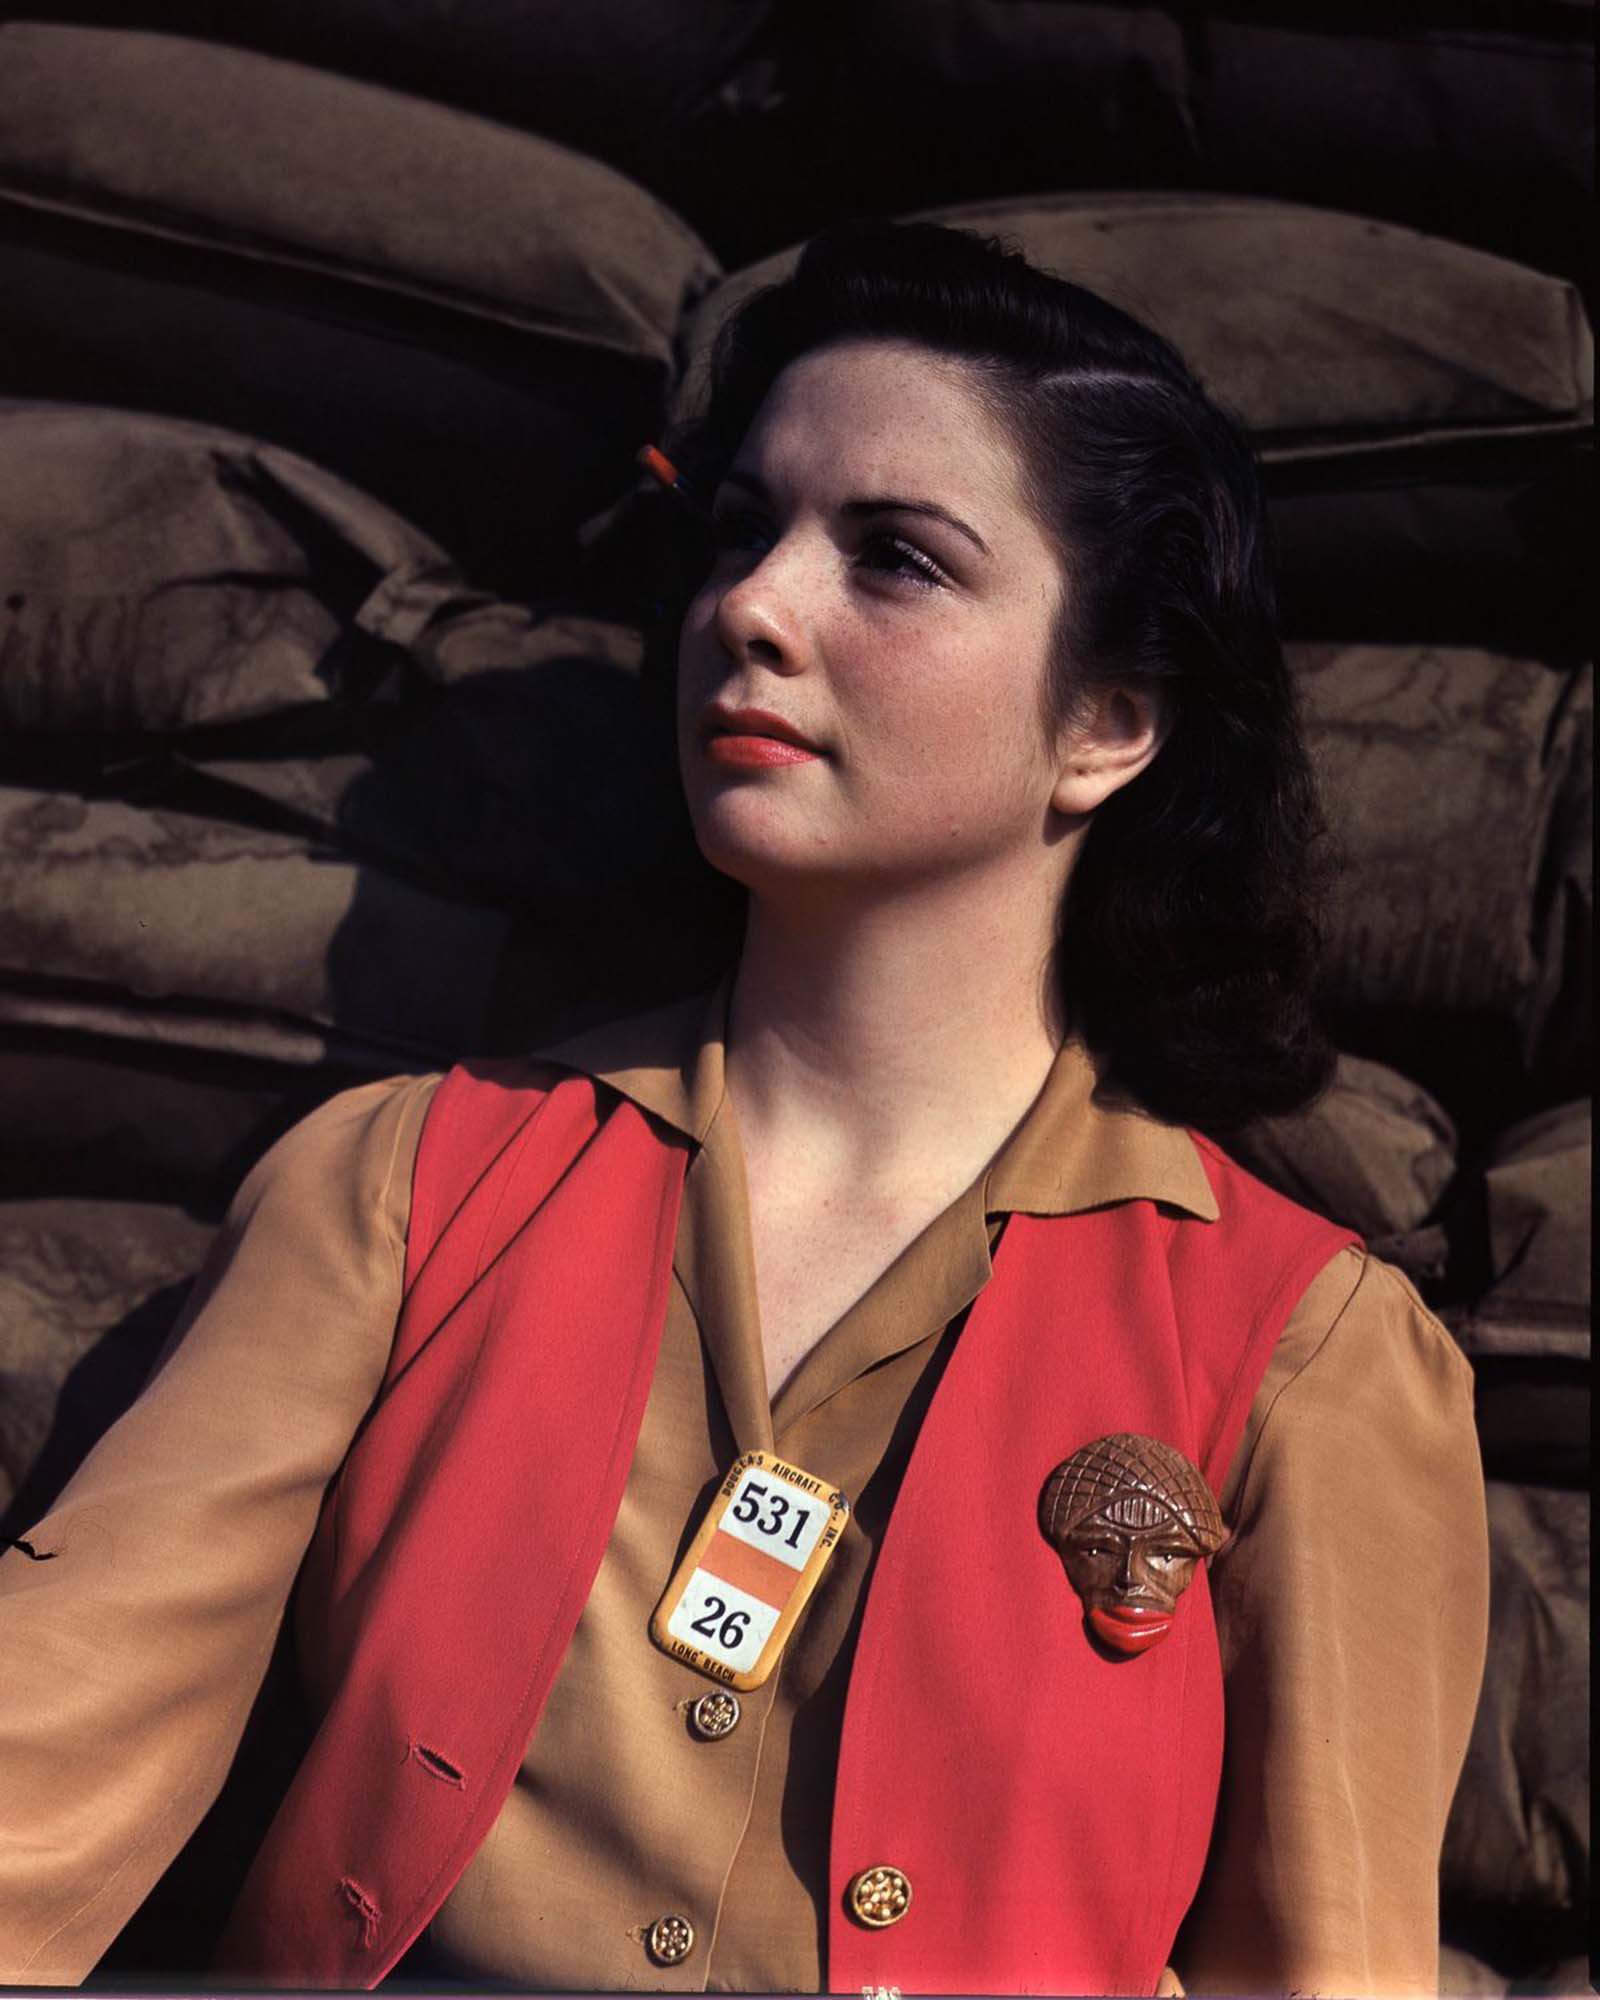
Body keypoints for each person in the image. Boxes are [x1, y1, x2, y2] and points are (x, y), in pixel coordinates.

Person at [0, 222, 1487, 1994]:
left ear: (1105, 723)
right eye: (740, 534)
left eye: (897, 561)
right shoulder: (412, 1186)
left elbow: (1337, 1971)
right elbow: (51, 1757)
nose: (754, 610)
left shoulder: (1307, 1357)